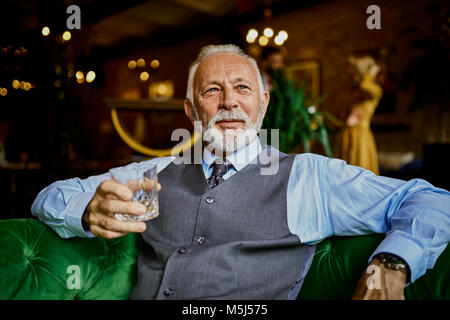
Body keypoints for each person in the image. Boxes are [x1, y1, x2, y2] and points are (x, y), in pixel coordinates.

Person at [32, 44, 450, 300]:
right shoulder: (156, 172)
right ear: (192, 110)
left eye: (242, 88)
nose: (229, 101)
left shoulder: (309, 178)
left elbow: (431, 199)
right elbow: (49, 196)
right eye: (212, 90)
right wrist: (87, 209)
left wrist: (391, 264)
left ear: (262, 105)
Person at [336, 54, 383, 174]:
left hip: (361, 138)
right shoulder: (354, 91)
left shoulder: (375, 90)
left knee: (360, 173)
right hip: (346, 134)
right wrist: (345, 120)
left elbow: (365, 85)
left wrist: (371, 74)